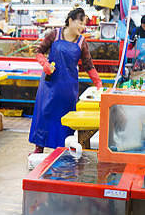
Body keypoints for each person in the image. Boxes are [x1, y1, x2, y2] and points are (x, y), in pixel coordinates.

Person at [29, 8, 102, 154]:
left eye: (84, 24)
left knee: (65, 118)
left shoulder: (82, 42)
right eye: (80, 23)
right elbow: (38, 51)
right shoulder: (55, 34)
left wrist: (98, 83)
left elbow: (88, 65)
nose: (82, 27)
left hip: (68, 87)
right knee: (45, 114)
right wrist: (45, 64)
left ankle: (63, 150)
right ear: (70, 20)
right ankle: (39, 148)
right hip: (49, 84)